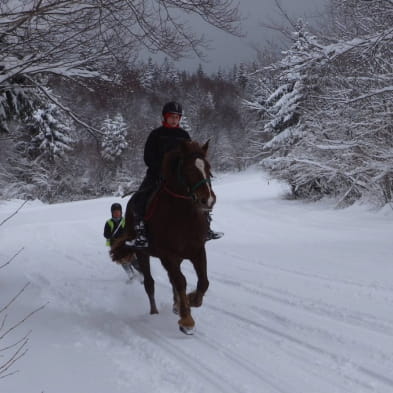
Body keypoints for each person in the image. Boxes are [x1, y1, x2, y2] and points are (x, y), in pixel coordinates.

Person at [126, 101, 222, 248]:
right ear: (165, 117)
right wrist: (161, 170)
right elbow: (148, 156)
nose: (174, 120)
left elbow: (191, 156)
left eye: (177, 117)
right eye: (171, 116)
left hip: (180, 177)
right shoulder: (156, 134)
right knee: (139, 198)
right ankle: (141, 233)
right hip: (156, 174)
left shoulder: (183, 135)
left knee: (200, 195)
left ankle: (206, 226)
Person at [104, 203, 139, 281]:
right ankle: (131, 274)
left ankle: (141, 272)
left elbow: (131, 231)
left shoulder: (125, 221)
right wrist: (110, 235)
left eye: (118, 212)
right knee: (122, 260)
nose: (116, 213)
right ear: (112, 213)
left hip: (125, 244)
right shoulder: (109, 223)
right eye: (114, 212)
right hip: (115, 246)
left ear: (121, 212)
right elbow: (106, 234)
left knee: (132, 258)